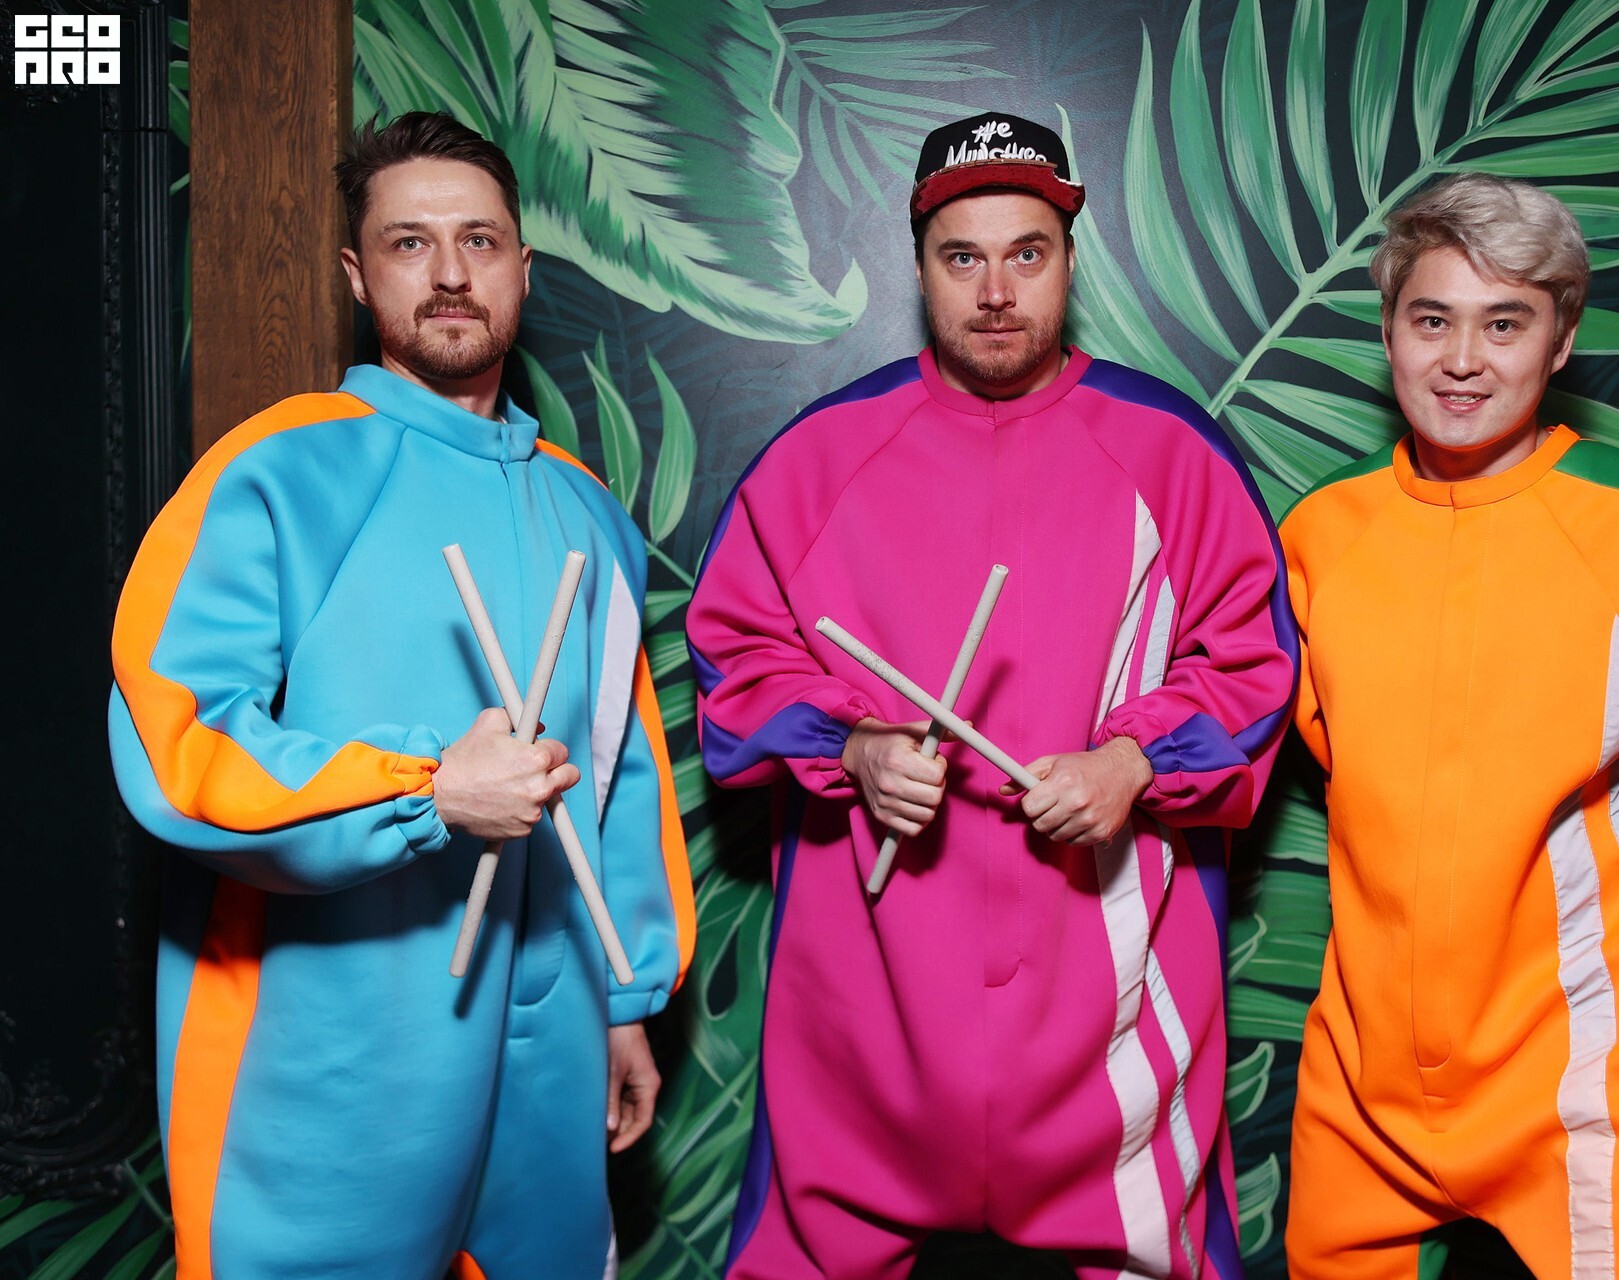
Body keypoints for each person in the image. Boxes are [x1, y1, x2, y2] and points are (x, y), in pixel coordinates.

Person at [686, 110, 1298, 1280]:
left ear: (1070, 258)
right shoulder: (817, 456)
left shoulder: (1175, 451)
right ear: (918, 265)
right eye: (962, 256)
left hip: (1112, 1012)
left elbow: (1255, 668)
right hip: (866, 1013)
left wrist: (1134, 761)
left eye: (1028, 252)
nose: (998, 291)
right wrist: (854, 746)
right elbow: (734, 662)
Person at [108, 112, 694, 1280]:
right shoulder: (278, 465)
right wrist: (423, 790)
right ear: (356, 274)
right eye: (410, 242)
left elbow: (619, 770)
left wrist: (624, 997)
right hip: (330, 1041)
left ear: (522, 266)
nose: (450, 273)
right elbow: (179, 737)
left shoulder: (588, 509)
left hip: (551, 1034)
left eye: (479, 239)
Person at [1278, 173, 1619, 1280]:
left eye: (1505, 323)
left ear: (1562, 340)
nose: (1462, 359)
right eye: (1431, 319)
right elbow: (1341, 753)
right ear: (1388, 330)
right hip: (1363, 1080)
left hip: (1586, 1071)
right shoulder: (1320, 533)